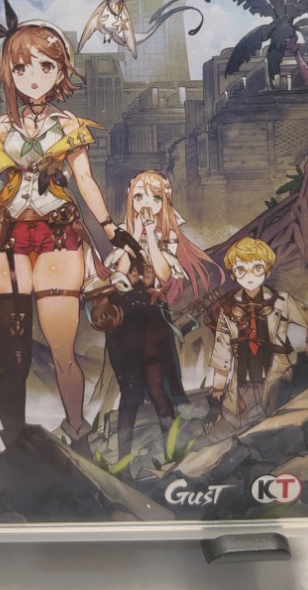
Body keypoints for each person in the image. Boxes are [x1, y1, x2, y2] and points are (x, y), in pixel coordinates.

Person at [0, 0, 134, 456]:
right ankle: (16, 447)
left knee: (63, 352)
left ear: (61, 71)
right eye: (22, 67)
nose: (34, 76)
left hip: (58, 239)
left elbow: (85, 181)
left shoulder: (70, 127)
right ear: (8, 72)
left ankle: (77, 432)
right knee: (14, 356)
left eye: (46, 66)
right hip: (5, 245)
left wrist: (112, 230)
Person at [96, 170, 221, 460]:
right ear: (130, 199)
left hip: (152, 316)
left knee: (157, 387)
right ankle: (123, 459)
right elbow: (121, 272)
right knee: (130, 392)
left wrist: (150, 235)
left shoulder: (168, 237)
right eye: (139, 196)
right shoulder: (122, 235)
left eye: (155, 198)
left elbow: (164, 275)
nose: (146, 204)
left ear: (164, 202)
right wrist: (133, 236)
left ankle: (172, 452)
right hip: (123, 319)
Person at [204, 237, 308, 439]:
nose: (249, 275)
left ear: (267, 271)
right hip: (242, 389)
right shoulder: (228, 310)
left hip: (278, 382)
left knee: (281, 434)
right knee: (241, 438)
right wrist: (215, 402)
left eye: (257, 268)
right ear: (233, 274)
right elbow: (222, 360)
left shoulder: (281, 302)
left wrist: (306, 357)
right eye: (241, 269)